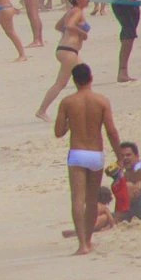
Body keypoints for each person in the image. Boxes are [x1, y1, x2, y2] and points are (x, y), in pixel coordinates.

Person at [51, 64, 119, 255]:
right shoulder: (102, 101)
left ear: (74, 80)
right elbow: (111, 131)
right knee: (91, 200)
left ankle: (82, 244)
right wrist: (119, 155)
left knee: (77, 199)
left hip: (77, 152)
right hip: (96, 153)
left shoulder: (67, 102)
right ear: (91, 77)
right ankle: (89, 239)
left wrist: (70, 124)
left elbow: (58, 132)